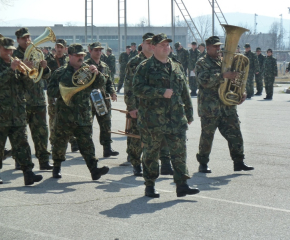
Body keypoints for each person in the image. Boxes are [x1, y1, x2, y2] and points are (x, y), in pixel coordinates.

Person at [133, 33, 200, 198]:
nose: (166, 47)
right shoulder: (145, 67)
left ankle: (182, 184)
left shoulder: (175, 66)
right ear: (153, 47)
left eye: (167, 45)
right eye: (162, 45)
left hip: (176, 118)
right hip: (153, 120)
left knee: (179, 151)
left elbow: (184, 90)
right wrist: (160, 92)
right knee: (151, 153)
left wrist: (189, 113)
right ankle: (149, 185)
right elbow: (137, 89)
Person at [47, 43, 109, 180]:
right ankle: (56, 168)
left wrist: (97, 73)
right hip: (65, 115)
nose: (81, 58)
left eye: (82, 55)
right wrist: (66, 90)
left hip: (83, 115)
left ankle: (94, 170)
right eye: (77, 55)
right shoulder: (60, 73)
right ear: (69, 56)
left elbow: (100, 84)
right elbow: (51, 91)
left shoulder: (88, 70)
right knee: (59, 142)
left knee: (87, 143)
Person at [195, 36, 254, 173]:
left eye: (219, 46)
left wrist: (241, 93)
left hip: (227, 107)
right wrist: (223, 76)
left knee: (235, 133)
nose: (218, 48)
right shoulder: (201, 62)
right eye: (215, 46)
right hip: (210, 108)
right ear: (207, 47)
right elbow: (204, 81)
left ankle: (238, 161)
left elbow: (235, 80)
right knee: (207, 136)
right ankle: (203, 163)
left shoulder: (225, 61)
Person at [124, 32, 173, 177]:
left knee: (163, 135)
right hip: (139, 107)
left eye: (153, 42)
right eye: (148, 42)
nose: (151, 45)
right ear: (142, 44)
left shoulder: (163, 60)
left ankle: (165, 163)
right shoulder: (134, 62)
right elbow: (129, 87)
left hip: (159, 107)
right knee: (135, 136)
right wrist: (131, 107)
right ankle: (136, 163)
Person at [0, 37, 43, 185]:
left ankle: (28, 173)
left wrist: (26, 73)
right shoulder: (9, 66)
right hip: (1, 115)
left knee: (23, 145)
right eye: (5, 49)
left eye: (11, 49)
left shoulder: (18, 65)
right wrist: (10, 69)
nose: (9, 52)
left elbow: (29, 88)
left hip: (17, 114)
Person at [13, 27, 53, 170]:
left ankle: (44, 161)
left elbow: (46, 76)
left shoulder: (36, 52)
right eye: (24, 38)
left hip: (38, 100)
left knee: (41, 132)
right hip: (21, 101)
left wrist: (45, 67)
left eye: (28, 37)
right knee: (21, 135)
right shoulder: (14, 55)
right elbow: (12, 78)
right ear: (18, 40)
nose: (27, 40)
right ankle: (21, 160)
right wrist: (22, 68)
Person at [85, 42, 119, 157]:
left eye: (100, 50)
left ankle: (107, 148)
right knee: (87, 126)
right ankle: (88, 150)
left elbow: (109, 82)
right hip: (89, 100)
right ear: (90, 51)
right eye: (96, 50)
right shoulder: (85, 65)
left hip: (103, 100)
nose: (98, 52)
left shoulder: (104, 65)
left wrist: (113, 92)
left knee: (106, 125)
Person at [46, 39, 79, 153]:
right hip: (55, 92)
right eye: (57, 47)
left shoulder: (69, 60)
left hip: (69, 93)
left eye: (61, 47)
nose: (59, 49)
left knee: (70, 118)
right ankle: (53, 142)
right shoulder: (49, 59)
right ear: (55, 47)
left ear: (65, 49)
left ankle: (73, 140)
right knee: (53, 118)